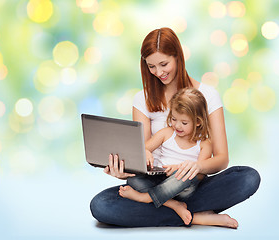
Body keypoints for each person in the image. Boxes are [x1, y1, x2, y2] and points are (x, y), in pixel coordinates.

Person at [90, 27, 260, 228]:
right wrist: (123, 169)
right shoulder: (142, 100)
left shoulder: (208, 95)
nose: (159, 72)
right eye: (151, 66)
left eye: (164, 64)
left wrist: (196, 166)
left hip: (190, 181)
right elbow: (143, 154)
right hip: (153, 181)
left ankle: (164, 206)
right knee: (100, 205)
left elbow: (222, 159)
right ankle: (194, 215)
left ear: (178, 56)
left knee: (248, 178)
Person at [119, 87, 213, 226]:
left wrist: (179, 170)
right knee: (134, 180)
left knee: (189, 175)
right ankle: (173, 204)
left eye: (184, 122)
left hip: (181, 186)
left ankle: (144, 198)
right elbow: (142, 149)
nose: (177, 125)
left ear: (198, 121)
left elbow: (200, 174)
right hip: (159, 179)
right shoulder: (166, 133)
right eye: (174, 119)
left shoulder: (204, 144)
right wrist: (147, 153)